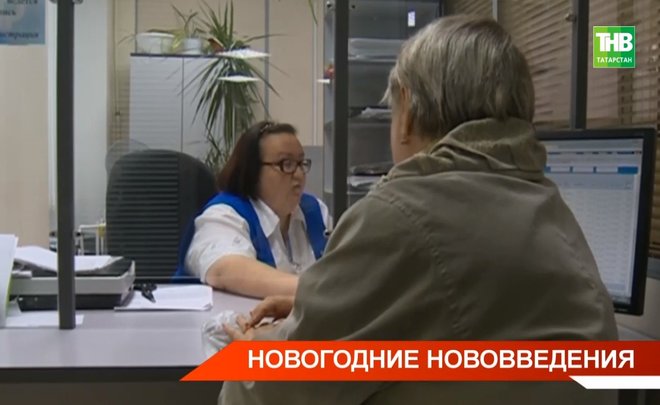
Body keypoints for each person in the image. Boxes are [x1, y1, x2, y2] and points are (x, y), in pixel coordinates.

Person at [219, 15, 618, 405]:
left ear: (407, 110)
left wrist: (255, 355)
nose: (297, 174)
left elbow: (274, 392)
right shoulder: (550, 206)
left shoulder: (397, 213)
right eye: (283, 164)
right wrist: (326, 305)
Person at [176, 121, 331, 298]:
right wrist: (321, 292)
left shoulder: (316, 211)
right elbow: (225, 270)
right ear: (253, 171)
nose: (299, 174)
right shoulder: (223, 215)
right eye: (286, 164)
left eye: (301, 163)